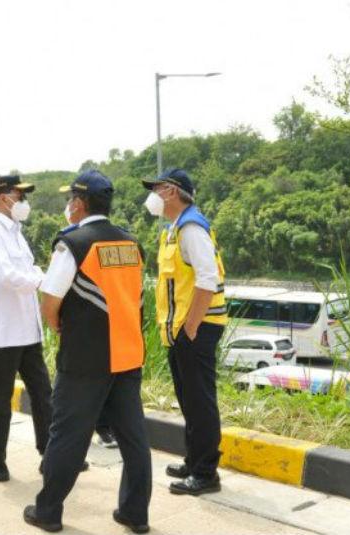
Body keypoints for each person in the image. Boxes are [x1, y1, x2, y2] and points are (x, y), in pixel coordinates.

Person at [25, 171, 152, 534]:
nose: (68, 206)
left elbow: (50, 301)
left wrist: (58, 326)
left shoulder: (74, 244)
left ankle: (48, 511)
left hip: (86, 359)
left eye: (70, 200)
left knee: (67, 435)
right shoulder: (131, 243)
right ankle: (135, 514)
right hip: (128, 354)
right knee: (133, 438)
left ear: (79, 204)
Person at [142, 168, 227, 496]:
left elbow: (208, 280)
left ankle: (206, 473)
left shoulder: (191, 228)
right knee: (189, 399)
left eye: (157, 188)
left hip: (197, 328)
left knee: (200, 401)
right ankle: (194, 460)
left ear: (172, 192)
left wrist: (190, 327)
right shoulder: (174, 229)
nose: (153, 195)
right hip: (182, 330)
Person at [0, 175, 54, 482]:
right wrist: (42, 281)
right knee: (2, 398)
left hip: (27, 329)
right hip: (2, 331)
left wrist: (37, 276)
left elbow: (30, 268)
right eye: (18, 195)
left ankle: (49, 454)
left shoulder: (17, 233)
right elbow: (9, 276)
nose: (22, 201)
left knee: (43, 393)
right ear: (1, 197)